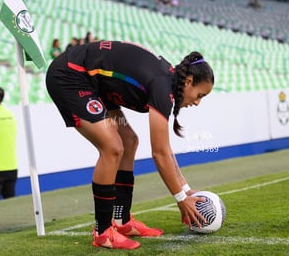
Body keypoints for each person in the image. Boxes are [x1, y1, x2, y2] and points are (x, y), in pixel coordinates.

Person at [46, 41, 214, 249]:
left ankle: (122, 220)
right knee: (112, 147)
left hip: (97, 83)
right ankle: (103, 232)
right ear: (189, 81)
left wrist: (186, 190)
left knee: (129, 141)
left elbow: (165, 149)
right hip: (71, 76)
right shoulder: (163, 88)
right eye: (200, 95)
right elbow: (159, 153)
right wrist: (180, 198)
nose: (197, 102)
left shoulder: (166, 84)